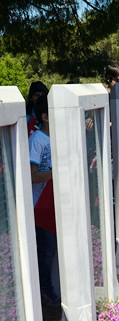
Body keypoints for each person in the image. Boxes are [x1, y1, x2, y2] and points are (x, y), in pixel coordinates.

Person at [29, 95, 60, 308]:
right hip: (39, 206)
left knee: (55, 250)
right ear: (45, 116)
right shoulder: (36, 140)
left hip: (55, 204)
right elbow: (31, 175)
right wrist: (55, 172)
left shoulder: (58, 137)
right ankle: (45, 292)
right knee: (46, 251)